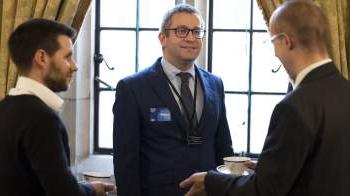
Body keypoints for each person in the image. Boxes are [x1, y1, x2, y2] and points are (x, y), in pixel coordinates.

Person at [180, 0, 350, 196]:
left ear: (286, 41)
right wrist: (269, 164)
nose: (275, 53)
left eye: (272, 41)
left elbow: (264, 191)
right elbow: (326, 163)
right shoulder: (344, 91)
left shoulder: (294, 106)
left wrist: (210, 181)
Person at [112, 3, 233, 196]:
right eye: (182, 31)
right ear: (162, 38)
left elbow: (223, 146)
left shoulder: (215, 84)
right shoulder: (132, 88)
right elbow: (125, 160)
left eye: (197, 31)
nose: (191, 38)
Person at [0, 19, 114, 196]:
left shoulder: (5, 107)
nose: (75, 66)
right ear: (42, 58)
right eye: (67, 57)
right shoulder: (41, 118)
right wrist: (92, 190)